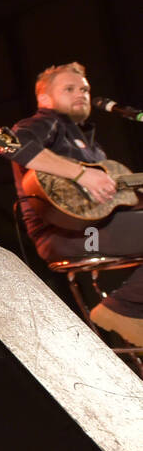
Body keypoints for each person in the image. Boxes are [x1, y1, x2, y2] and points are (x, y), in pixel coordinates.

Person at [8, 61, 143, 345]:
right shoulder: (43, 123)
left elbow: (118, 200)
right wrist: (82, 174)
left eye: (84, 89)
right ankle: (122, 308)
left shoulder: (90, 145)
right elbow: (14, 145)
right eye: (69, 88)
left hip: (99, 227)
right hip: (63, 234)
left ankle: (128, 309)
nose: (80, 93)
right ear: (45, 98)